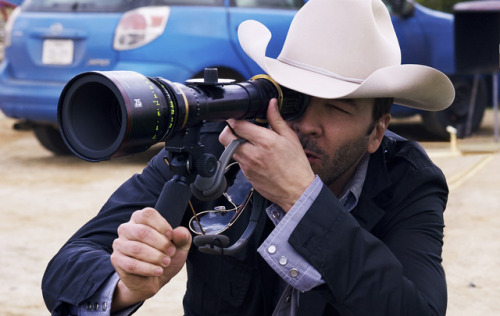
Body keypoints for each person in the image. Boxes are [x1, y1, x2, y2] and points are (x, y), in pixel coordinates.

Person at [42, 0, 455, 315]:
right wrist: (125, 285)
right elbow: (67, 267)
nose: (306, 124)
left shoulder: (408, 179)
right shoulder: (219, 146)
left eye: (338, 107)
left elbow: (416, 308)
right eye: (297, 98)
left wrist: (302, 198)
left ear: (376, 131)